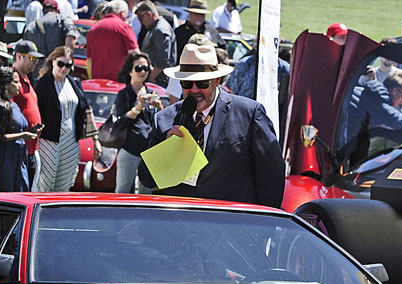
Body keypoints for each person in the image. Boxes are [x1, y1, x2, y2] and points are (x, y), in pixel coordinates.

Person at [137, 44, 284, 207]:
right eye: (187, 84)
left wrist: (264, 224)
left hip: (232, 225)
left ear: (217, 80)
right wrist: (166, 151)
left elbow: (272, 176)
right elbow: (146, 179)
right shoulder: (164, 119)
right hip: (181, 224)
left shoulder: (249, 114)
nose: (194, 90)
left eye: (202, 83)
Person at [35, 47, 102, 191]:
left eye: (68, 65)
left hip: (71, 142)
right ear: (53, 62)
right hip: (49, 141)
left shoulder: (74, 83)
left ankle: (58, 214)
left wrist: (95, 140)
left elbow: (86, 111)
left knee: (64, 186)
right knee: (45, 184)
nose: (63, 68)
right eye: (60, 64)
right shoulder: (43, 84)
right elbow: (36, 112)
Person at [113, 52, 164, 193]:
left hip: (148, 151)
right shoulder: (125, 94)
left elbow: (161, 121)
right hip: (129, 149)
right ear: (130, 71)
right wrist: (138, 107)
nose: (142, 72)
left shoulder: (151, 91)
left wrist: (159, 107)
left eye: (146, 68)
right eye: (138, 68)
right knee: (122, 191)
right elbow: (121, 122)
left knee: (146, 194)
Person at [0, 67, 37, 192]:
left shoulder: (14, 105)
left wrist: (30, 133)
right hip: (5, 158)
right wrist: (22, 136)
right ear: (5, 85)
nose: (19, 84)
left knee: (22, 194)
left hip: (19, 158)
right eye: (15, 82)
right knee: (6, 196)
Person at [12, 40, 45, 188]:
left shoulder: (26, 80)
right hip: (18, 149)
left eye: (37, 59)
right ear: (19, 56)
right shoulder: (12, 80)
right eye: (31, 58)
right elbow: (6, 109)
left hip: (31, 148)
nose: (35, 62)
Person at [86, 0, 139, 80]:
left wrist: (91, 78)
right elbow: (135, 54)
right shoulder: (123, 27)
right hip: (118, 81)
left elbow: (89, 59)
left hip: (97, 81)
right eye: (126, 17)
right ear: (122, 14)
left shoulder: (93, 29)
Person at [135, 1, 177, 88]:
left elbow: (163, 60)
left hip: (159, 80)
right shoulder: (154, 28)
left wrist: (151, 77)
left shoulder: (160, 30)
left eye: (141, 18)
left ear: (149, 14)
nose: (141, 22)